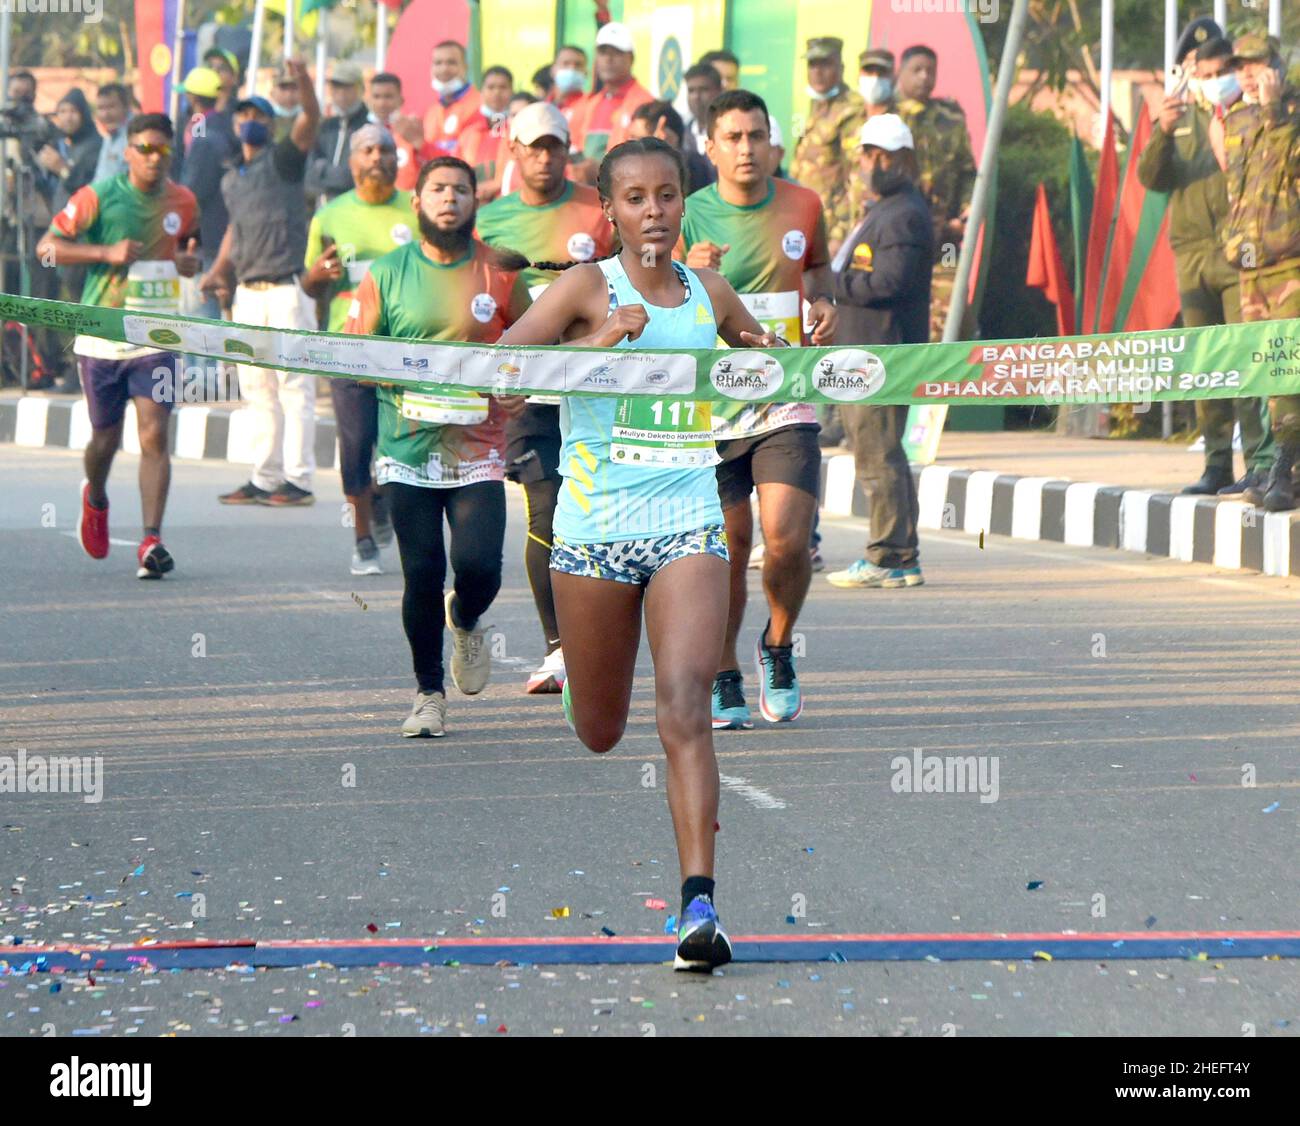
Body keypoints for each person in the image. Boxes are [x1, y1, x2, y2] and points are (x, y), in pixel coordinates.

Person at [496, 136, 784, 973]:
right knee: (599, 729)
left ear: (683, 201)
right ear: (609, 210)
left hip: (687, 522)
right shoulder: (585, 288)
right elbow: (506, 374)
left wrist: (793, 353)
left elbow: (764, 364)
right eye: (635, 198)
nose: (653, 211)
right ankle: (583, 684)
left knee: (686, 708)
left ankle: (699, 908)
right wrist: (599, 344)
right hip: (590, 534)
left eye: (666, 195)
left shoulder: (711, 292)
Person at [344, 156, 531, 738]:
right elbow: (356, 356)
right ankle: (428, 692)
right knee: (421, 572)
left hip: (478, 448)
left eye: (461, 190)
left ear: (476, 202)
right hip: (407, 450)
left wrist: (521, 385)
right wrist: (395, 374)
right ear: (418, 203)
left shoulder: (498, 272)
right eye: (438, 189)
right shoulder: (387, 272)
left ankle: (467, 616)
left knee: (478, 567)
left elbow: (532, 345)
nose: (449, 198)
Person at [678, 89, 835, 728]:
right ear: (710, 146)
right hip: (708, 409)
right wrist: (686, 273)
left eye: (757, 136)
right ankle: (721, 672)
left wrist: (823, 304)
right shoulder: (685, 214)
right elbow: (643, 297)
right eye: (733, 137)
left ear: (773, 142)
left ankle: (777, 644)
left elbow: (819, 269)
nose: (747, 149)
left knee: (787, 539)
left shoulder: (804, 203)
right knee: (726, 546)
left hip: (783, 396)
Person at [475, 100, 615, 694]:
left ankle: (603, 638)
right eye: (533, 146)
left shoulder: (597, 208)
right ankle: (558, 648)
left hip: (599, 387)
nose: (544, 156)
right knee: (547, 510)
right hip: (531, 395)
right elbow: (480, 305)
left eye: (554, 145)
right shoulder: (491, 221)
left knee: (598, 517)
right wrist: (494, 380)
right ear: (514, 150)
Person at [37, 113, 200, 579]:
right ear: (128, 152)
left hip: (158, 333)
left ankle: (152, 539)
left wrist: (190, 262)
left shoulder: (184, 201)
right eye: (144, 149)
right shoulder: (98, 196)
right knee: (105, 439)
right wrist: (102, 253)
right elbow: (45, 249)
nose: (153, 158)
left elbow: (191, 248)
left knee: (153, 435)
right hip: (102, 335)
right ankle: (96, 496)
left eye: (162, 150)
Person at [1139, 28, 1273, 497]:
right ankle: (1216, 462)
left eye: (1220, 69)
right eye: (1202, 70)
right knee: (1207, 364)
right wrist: (1160, 132)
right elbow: (1151, 179)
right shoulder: (1178, 117)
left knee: (1248, 359)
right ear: (1189, 72)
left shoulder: (1248, 111)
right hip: (1191, 252)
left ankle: (1261, 461)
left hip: (1240, 252)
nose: (1213, 78)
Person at [202, 61, 322, 507]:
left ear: (272, 125)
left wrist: (305, 82)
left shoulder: (285, 160)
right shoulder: (233, 175)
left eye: (259, 117)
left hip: (287, 288)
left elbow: (311, 119)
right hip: (248, 292)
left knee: (295, 386)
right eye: (244, 116)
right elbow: (235, 228)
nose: (250, 122)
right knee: (257, 390)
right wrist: (218, 270)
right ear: (235, 123)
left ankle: (300, 480)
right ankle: (265, 476)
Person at [826, 114, 930, 590]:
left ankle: (889, 555)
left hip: (881, 354)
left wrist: (835, 284)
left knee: (877, 455)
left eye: (879, 156)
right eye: (868, 155)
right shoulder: (884, 210)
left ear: (903, 161)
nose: (870, 164)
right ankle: (900, 555)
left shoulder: (903, 214)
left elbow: (890, 282)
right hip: (865, 352)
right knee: (880, 452)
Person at [302, 125, 411, 576]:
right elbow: (309, 284)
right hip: (346, 344)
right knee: (355, 443)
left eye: (386, 148)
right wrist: (318, 276)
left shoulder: (415, 208)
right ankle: (363, 539)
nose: (378, 157)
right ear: (352, 162)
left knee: (398, 442)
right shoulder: (330, 215)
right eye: (368, 150)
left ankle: (384, 501)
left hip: (404, 347)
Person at [1221, 32, 1300, 511]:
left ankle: (1284, 469)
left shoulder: (1290, 115)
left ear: (1277, 67)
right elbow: (1241, 186)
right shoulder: (1236, 118)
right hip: (1250, 263)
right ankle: (1275, 465)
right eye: (1241, 66)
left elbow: (1287, 166)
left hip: (1290, 260)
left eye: (1256, 65)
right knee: (1264, 372)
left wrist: (1274, 113)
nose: (1248, 74)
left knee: (1289, 366)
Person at [894, 44, 976, 341]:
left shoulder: (950, 118)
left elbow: (968, 172)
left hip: (945, 238)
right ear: (900, 74)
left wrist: (966, 211)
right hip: (899, 237)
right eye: (916, 70)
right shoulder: (884, 117)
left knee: (949, 306)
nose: (924, 77)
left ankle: (948, 378)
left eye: (930, 71)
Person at [790, 37, 865, 254]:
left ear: (840, 68)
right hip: (807, 224)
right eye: (813, 65)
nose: (818, 72)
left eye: (825, 64)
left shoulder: (851, 110)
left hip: (833, 230)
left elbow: (856, 178)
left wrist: (841, 234)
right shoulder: (818, 105)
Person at [179, 67, 237, 323]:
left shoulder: (203, 134)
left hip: (204, 239)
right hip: (226, 233)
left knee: (199, 322)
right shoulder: (228, 127)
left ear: (192, 97)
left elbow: (192, 192)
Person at [568, 22, 653, 182]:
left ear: (631, 58)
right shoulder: (589, 104)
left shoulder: (645, 103)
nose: (608, 59)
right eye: (603, 52)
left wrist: (602, 171)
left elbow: (647, 161)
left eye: (617, 53)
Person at [307, 60, 370, 206]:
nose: (341, 94)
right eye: (336, 87)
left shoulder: (368, 128)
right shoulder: (326, 127)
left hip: (355, 208)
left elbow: (353, 178)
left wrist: (324, 171)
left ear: (360, 89)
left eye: (347, 87)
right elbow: (310, 175)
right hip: (323, 209)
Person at [37, 88, 101, 215]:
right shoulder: (67, 144)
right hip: (64, 223)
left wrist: (62, 169)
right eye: (62, 111)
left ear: (84, 114)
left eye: (73, 111)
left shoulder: (94, 145)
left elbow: (88, 188)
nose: (68, 117)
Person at [627, 100, 713, 193]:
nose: (632, 148)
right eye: (630, 139)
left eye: (639, 140)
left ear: (668, 137)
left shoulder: (696, 167)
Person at [456, 65, 514, 202]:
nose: (496, 93)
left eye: (502, 87)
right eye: (491, 87)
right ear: (481, 92)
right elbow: (457, 170)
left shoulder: (517, 129)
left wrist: (493, 186)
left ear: (512, 91)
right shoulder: (469, 133)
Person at [366, 72, 424, 192]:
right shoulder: (362, 135)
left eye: (388, 97)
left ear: (401, 99)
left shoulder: (414, 131)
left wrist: (420, 143)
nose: (382, 103)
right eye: (376, 97)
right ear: (369, 100)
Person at [423, 41, 480, 157]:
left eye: (451, 62)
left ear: (465, 66)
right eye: (438, 63)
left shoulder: (480, 104)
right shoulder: (431, 112)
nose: (444, 69)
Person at [91, 83, 132, 182]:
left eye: (111, 107)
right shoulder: (109, 135)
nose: (105, 114)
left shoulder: (136, 135)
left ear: (126, 107)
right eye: (101, 108)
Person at [682, 62, 722, 158]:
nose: (696, 97)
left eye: (704, 90)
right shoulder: (681, 134)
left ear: (719, 91)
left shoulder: (728, 133)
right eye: (691, 90)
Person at [547, 44, 588, 125]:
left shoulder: (589, 108)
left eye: (578, 65)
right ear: (553, 70)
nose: (572, 69)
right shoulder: (542, 107)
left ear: (586, 73)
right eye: (566, 63)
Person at [269, 65, 302, 143]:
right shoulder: (266, 120)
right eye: (284, 88)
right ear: (272, 92)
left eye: (294, 87)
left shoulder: (311, 120)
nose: (289, 93)